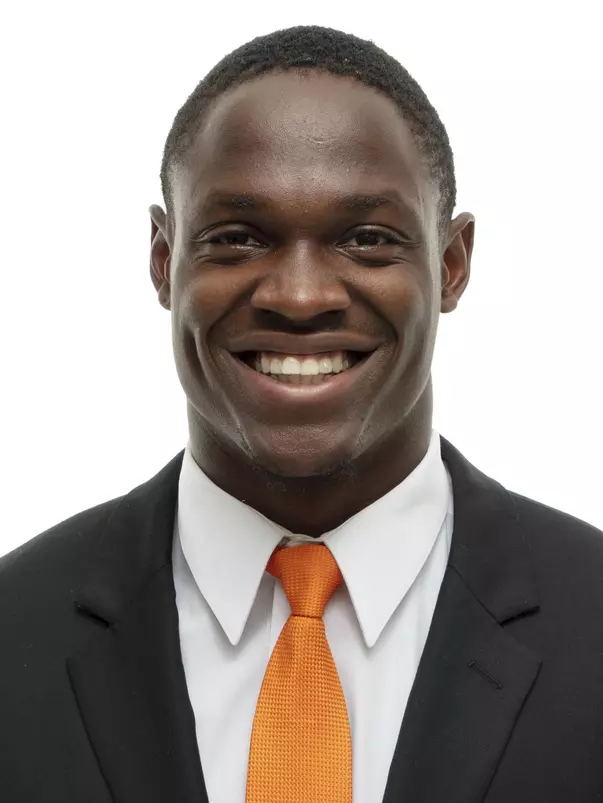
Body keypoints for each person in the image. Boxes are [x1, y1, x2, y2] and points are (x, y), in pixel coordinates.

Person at [1, 23, 603, 803]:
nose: (298, 296)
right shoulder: (15, 633)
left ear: (451, 266)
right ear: (163, 259)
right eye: (238, 237)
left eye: (366, 239)